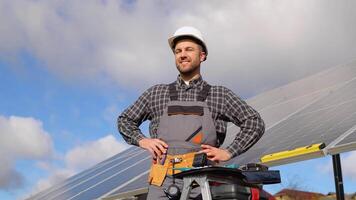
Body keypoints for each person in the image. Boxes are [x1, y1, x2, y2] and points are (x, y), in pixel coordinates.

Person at [118, 26, 265, 199]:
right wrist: (142, 140)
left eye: (189, 49)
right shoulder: (156, 93)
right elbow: (125, 120)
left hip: (202, 182)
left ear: (202, 56)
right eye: (178, 51)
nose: (182, 54)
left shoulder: (219, 94)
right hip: (162, 181)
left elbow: (254, 123)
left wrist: (229, 151)